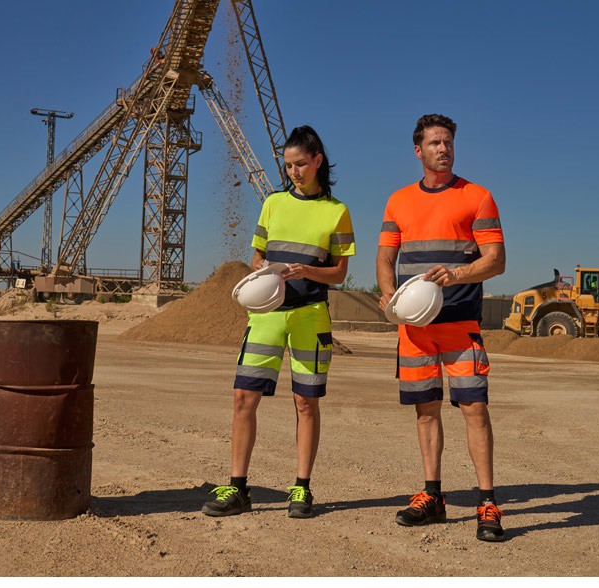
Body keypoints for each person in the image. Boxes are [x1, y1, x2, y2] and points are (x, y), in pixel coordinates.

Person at [202, 125, 356, 520]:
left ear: (317, 160)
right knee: (243, 397)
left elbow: (340, 273)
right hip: (266, 315)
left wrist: (308, 270)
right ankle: (238, 488)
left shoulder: (336, 211)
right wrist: (262, 267)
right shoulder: (272, 203)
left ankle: (302, 488)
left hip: (310, 316)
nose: (293, 172)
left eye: (300, 164)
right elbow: (257, 255)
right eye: (288, 166)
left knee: (306, 402)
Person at [376, 114, 508, 541]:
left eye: (448, 141)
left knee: (475, 409)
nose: (443, 148)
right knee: (426, 411)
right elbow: (385, 257)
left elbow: (496, 260)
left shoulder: (478, 197)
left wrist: (457, 275)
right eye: (435, 142)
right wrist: (388, 295)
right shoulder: (398, 201)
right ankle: (432, 496)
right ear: (418, 150)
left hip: (460, 324)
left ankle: (487, 503)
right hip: (414, 329)